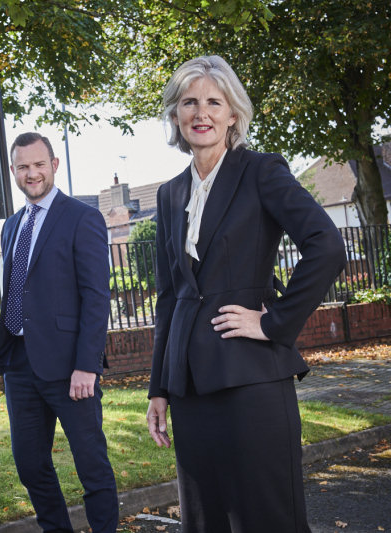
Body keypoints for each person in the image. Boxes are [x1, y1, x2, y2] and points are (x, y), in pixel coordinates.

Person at [146, 55, 347, 533]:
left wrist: (273, 322)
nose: (201, 112)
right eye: (189, 102)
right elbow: (169, 296)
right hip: (190, 389)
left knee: (267, 521)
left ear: (233, 115)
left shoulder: (261, 171)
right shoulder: (169, 194)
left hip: (250, 380)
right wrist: (159, 387)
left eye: (214, 102)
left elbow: (326, 246)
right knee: (205, 523)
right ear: (175, 114)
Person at [0, 132, 119, 532]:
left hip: (70, 367)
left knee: (91, 465)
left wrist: (87, 366)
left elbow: (96, 297)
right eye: (23, 167)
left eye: (38, 165)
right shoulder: (12, 226)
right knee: (30, 465)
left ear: (54, 165)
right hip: (19, 364)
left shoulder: (82, 217)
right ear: (13, 171)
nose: (32, 174)